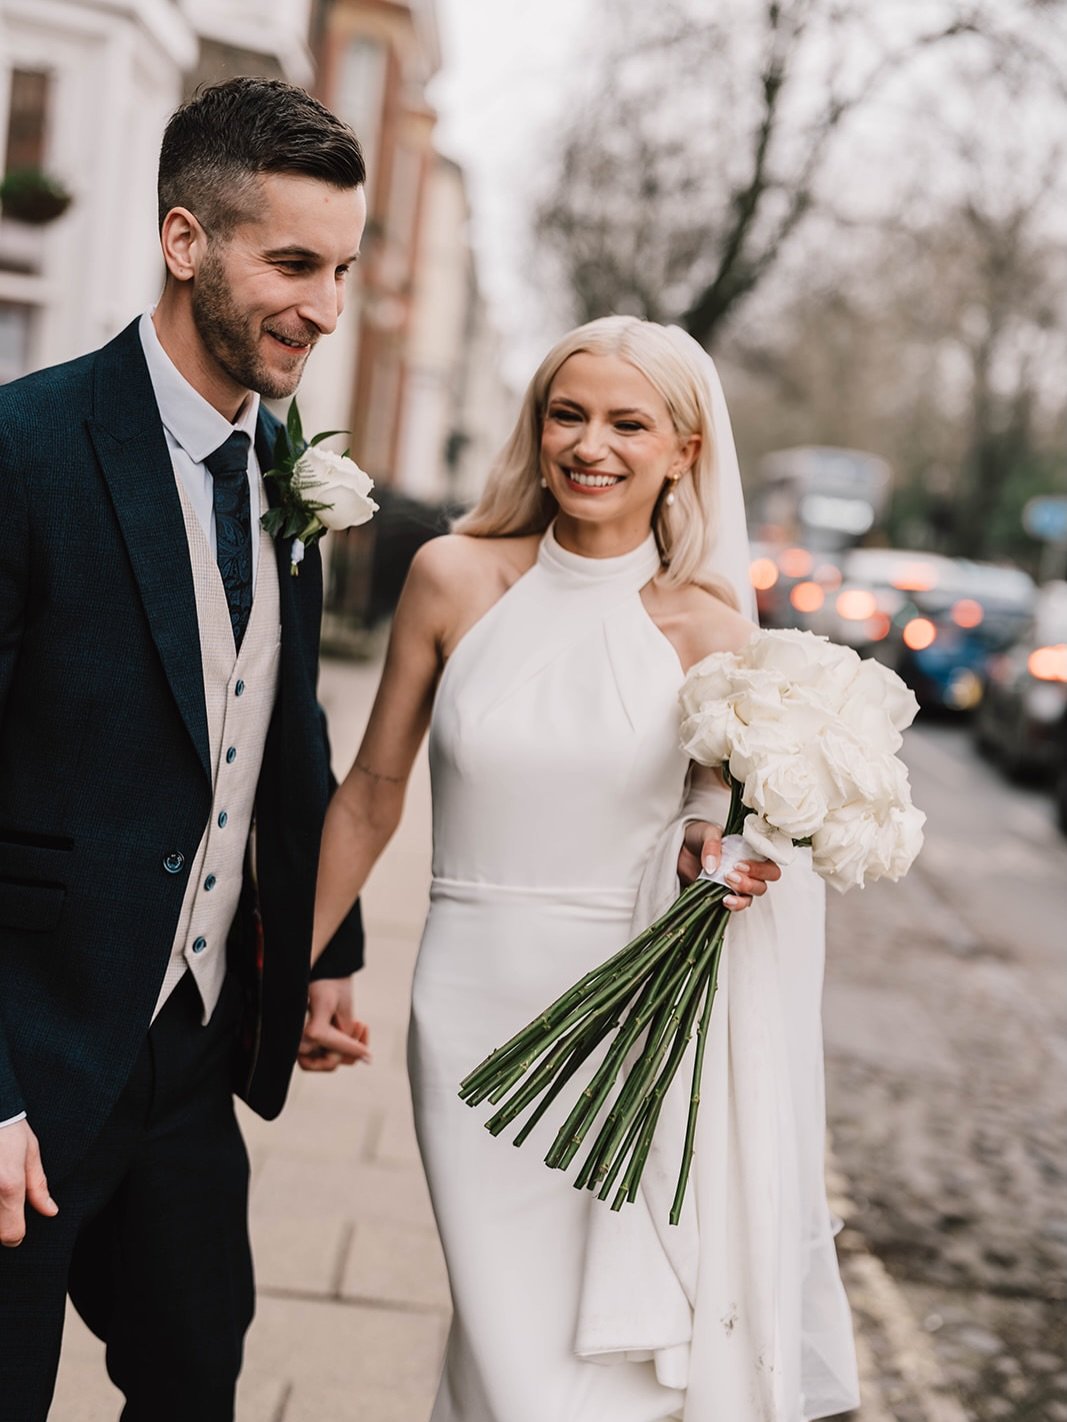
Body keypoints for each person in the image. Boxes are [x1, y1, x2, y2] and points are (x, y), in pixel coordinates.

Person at [310, 315, 861, 1421]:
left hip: (626, 1023)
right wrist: (301, 965)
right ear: (536, 426)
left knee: (581, 1370)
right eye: (567, 415)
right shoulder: (451, 577)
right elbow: (371, 788)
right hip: (469, 1008)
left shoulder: (711, 632)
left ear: (683, 450)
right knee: (503, 1333)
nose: (589, 446)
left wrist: (724, 857)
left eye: (626, 423)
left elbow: (709, 823)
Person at [0, 78, 371, 1421]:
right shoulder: (25, 448)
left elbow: (283, 721)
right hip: (30, 1054)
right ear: (183, 241)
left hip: (192, 1053)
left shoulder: (284, 470)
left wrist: (324, 949)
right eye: (293, 264)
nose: (324, 308)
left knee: (194, 1379)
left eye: (341, 270)